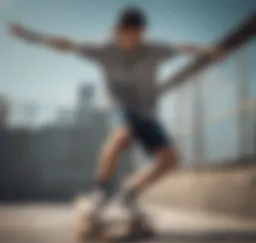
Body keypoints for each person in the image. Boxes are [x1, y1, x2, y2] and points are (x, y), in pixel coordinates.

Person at [10, 7, 221, 217]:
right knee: (123, 133)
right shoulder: (104, 50)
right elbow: (68, 45)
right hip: (120, 108)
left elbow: (183, 47)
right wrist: (33, 36)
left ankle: (129, 192)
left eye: (137, 36)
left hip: (147, 114)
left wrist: (207, 50)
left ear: (142, 33)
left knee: (170, 161)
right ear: (117, 31)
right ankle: (101, 190)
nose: (133, 41)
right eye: (128, 35)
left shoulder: (155, 49)